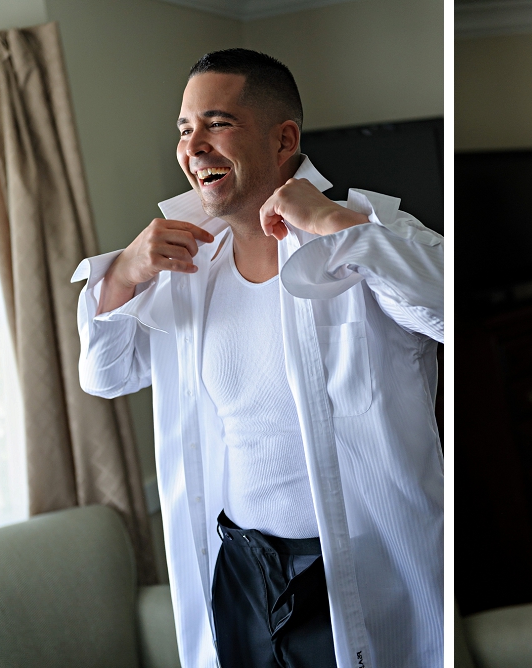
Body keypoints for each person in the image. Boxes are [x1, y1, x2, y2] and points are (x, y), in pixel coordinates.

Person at [73, 48, 443, 668]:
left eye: (216, 123)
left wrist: (332, 223)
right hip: (241, 568)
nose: (194, 147)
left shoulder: (369, 231)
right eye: (185, 130)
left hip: (357, 567)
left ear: (284, 138)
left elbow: (448, 307)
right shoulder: (182, 272)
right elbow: (105, 377)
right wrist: (122, 275)